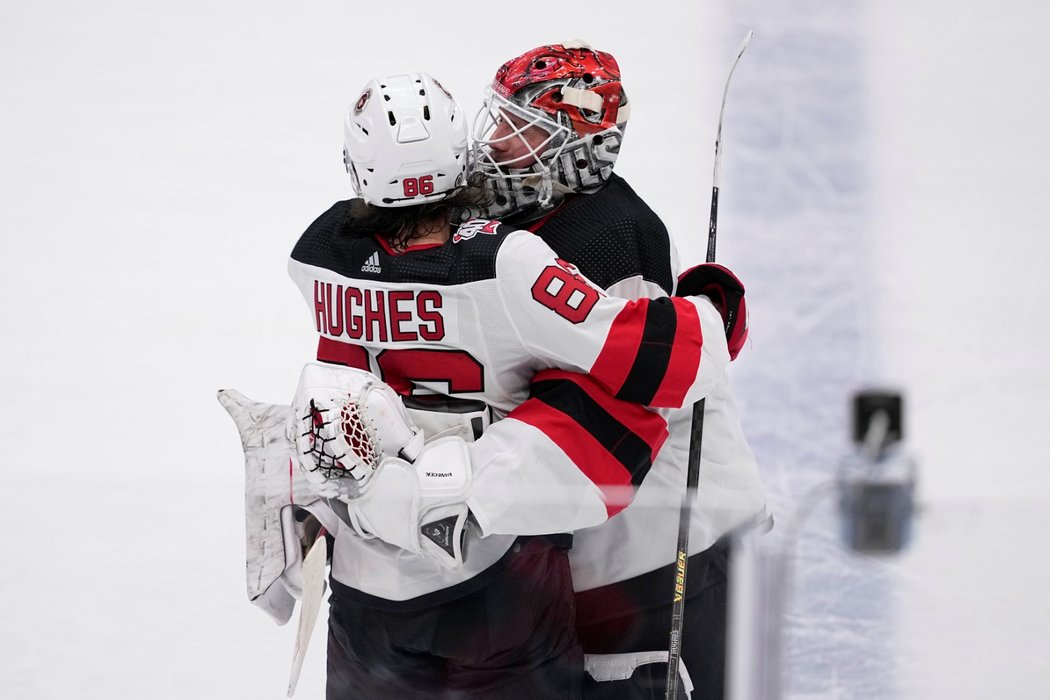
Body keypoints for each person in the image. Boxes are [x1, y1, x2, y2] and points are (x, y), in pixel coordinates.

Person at [279, 70, 745, 699]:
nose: (495, 143)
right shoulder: (508, 262)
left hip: (368, 582)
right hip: (496, 573)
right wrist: (712, 307)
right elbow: (666, 361)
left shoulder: (319, 256)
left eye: (517, 129)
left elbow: (335, 395)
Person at [467, 42, 770, 698]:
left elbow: (630, 407)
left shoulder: (608, 240)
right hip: (616, 550)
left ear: (575, 149)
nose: (493, 144)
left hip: (672, 552)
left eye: (518, 131)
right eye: (496, 122)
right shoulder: (529, 221)